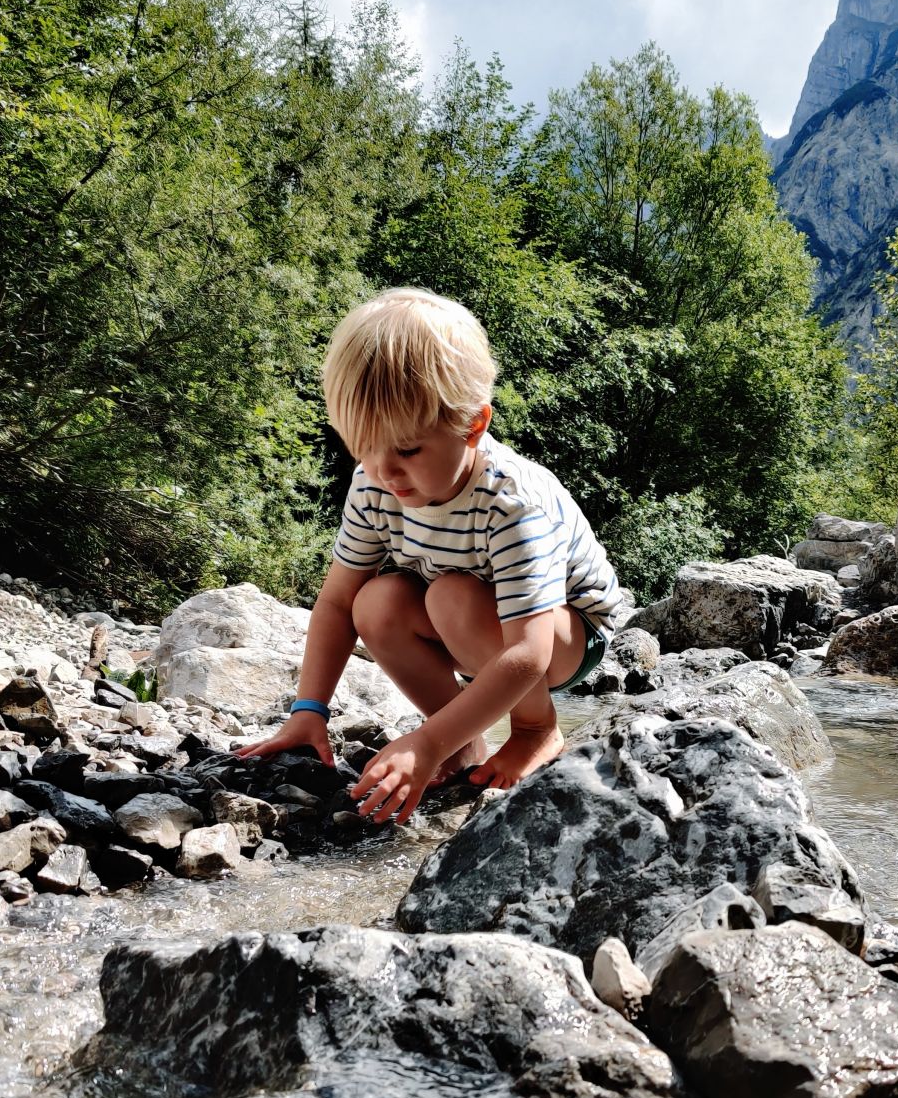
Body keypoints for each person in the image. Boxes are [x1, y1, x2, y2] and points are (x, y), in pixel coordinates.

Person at [237, 286, 622, 825]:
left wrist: (424, 743)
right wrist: (309, 710)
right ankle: (464, 743)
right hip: (476, 620)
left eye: (408, 450)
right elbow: (336, 602)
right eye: (363, 447)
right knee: (375, 602)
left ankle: (537, 729)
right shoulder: (375, 483)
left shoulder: (512, 501)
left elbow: (529, 654)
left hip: (565, 636)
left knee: (452, 596)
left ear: (473, 425)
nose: (384, 471)